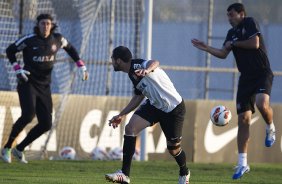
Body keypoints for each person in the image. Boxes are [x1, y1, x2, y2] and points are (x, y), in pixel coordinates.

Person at [191, 3, 275, 180]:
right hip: (245, 78)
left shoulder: (250, 23)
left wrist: (235, 43)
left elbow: (255, 43)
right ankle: (243, 163)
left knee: (261, 103)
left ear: (241, 14)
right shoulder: (231, 34)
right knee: (244, 119)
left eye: (232, 15)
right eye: (228, 16)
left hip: (261, 73)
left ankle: (270, 127)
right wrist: (206, 47)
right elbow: (223, 53)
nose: (229, 18)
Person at [1, 13, 88, 164]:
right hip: (27, 82)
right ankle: (7, 148)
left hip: (44, 86)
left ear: (52, 25)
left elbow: (71, 49)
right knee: (28, 115)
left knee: (46, 123)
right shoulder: (29, 40)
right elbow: (10, 51)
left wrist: (81, 65)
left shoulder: (58, 39)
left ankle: (19, 149)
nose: (45, 26)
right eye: (42, 23)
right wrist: (17, 68)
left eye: (48, 23)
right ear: (38, 25)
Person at [105, 46, 190, 184]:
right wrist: (121, 114)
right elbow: (138, 97)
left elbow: (155, 62)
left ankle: (184, 171)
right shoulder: (131, 75)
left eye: (112, 59)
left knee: (173, 149)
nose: (112, 62)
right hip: (155, 105)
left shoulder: (137, 65)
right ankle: (124, 174)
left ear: (118, 60)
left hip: (174, 108)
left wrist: (147, 70)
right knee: (130, 129)